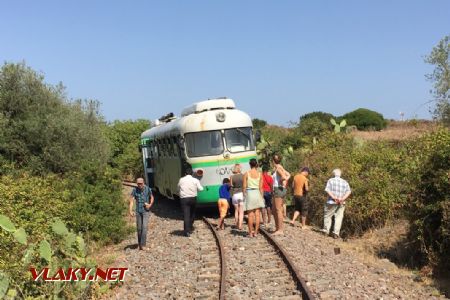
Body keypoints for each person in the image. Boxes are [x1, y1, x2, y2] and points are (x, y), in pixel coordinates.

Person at [322, 169, 351, 239]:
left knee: (328, 216)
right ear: (340, 174)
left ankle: (326, 231)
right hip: (341, 202)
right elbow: (349, 192)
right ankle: (336, 233)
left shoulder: (330, 180)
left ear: (333, 174)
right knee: (339, 218)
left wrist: (334, 198)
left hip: (331, 201)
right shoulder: (345, 182)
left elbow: (327, 190)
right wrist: (342, 199)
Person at [129, 178, 154, 251]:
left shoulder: (148, 189)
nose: (139, 185)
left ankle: (143, 244)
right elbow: (131, 200)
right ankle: (140, 243)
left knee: (144, 227)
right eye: (138, 183)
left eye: (141, 183)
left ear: (143, 183)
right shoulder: (134, 190)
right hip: (138, 211)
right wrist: (130, 210)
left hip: (146, 211)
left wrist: (150, 204)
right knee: (139, 229)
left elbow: (152, 197)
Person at [177, 168, 204, 237]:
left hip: (184, 199)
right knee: (192, 213)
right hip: (193, 198)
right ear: (192, 174)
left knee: (186, 215)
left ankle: (187, 232)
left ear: (185, 174)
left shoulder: (181, 180)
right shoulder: (195, 180)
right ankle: (190, 226)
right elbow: (201, 189)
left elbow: (178, 188)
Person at [243, 158, 265, 237]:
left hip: (250, 193)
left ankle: (250, 232)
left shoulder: (246, 174)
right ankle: (255, 232)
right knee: (257, 214)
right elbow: (261, 188)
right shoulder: (260, 174)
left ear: (250, 165)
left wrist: (244, 196)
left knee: (250, 215)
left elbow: (244, 187)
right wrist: (262, 197)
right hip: (257, 193)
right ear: (256, 165)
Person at [271, 154, 290, 235]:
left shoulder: (278, 168)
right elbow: (288, 175)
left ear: (273, 161)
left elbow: (284, 177)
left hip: (278, 189)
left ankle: (280, 230)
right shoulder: (280, 167)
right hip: (279, 189)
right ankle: (278, 228)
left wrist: (281, 181)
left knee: (278, 210)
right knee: (274, 210)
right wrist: (283, 182)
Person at [230, 164, 245, 230]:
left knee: (236, 210)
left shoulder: (231, 176)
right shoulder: (243, 176)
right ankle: (240, 225)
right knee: (241, 211)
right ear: (240, 169)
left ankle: (236, 224)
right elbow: (245, 185)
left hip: (235, 195)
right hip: (241, 194)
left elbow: (231, 186)